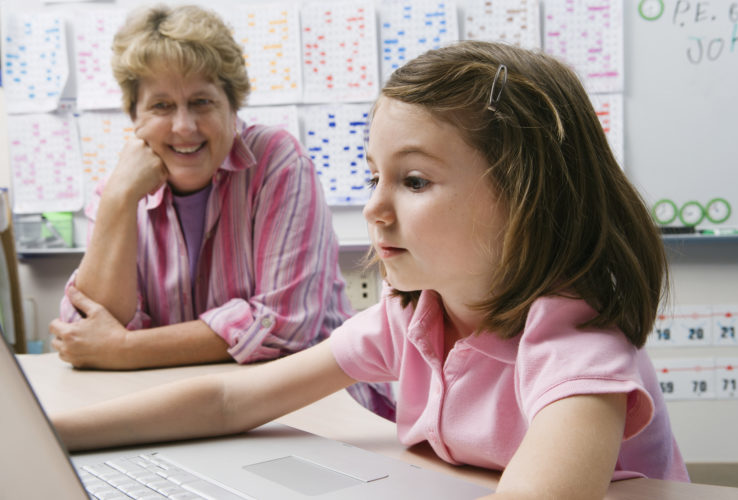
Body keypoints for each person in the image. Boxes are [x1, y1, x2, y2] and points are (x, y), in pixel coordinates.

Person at [52, 40, 690, 499]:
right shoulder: (413, 318)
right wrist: (48, 435)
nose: (373, 207)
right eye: (372, 174)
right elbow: (227, 398)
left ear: (528, 197)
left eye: (413, 180)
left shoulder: (574, 347)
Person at [48, 4, 393, 419]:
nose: (184, 126)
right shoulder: (120, 190)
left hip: (314, 405)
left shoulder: (276, 161)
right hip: (187, 406)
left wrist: (124, 350)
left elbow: (284, 324)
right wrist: (118, 201)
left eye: (201, 102)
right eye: (160, 106)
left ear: (233, 106)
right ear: (133, 116)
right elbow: (86, 329)